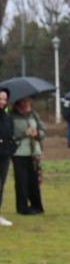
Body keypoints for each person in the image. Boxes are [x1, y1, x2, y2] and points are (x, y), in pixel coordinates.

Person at [10, 97, 45, 215]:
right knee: (21, 181)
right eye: (24, 101)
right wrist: (24, 133)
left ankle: (37, 206)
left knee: (34, 180)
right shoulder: (11, 116)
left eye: (28, 101)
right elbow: (9, 133)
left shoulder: (33, 114)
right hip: (19, 152)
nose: (27, 103)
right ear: (18, 103)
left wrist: (37, 133)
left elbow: (43, 130)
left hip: (34, 152)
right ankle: (22, 207)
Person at [0, 87, 15, 226]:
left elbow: (10, 134)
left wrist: (11, 147)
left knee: (1, 185)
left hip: (4, 155)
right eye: (0, 99)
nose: (3, 101)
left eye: (5, 99)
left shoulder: (7, 116)